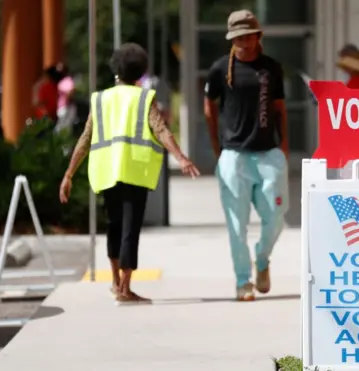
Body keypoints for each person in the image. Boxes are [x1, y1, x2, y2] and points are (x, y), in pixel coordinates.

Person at [59, 43, 200, 304]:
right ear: (140, 71)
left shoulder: (100, 99)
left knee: (114, 226)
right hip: (135, 171)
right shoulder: (144, 98)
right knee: (129, 229)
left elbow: (85, 138)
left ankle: (115, 282)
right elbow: (161, 130)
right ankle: (125, 288)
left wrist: (69, 174)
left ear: (116, 70)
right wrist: (180, 157)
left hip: (105, 171)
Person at [203, 9, 289, 302]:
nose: (243, 40)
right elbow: (209, 107)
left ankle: (262, 259)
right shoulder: (219, 69)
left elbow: (279, 108)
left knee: (277, 215)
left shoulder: (271, 68)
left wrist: (285, 143)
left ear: (257, 35)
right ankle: (243, 281)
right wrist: (218, 148)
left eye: (248, 34)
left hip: (268, 153)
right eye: (237, 35)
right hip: (234, 156)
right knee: (236, 225)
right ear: (232, 38)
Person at [54, 62, 77, 134]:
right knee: (61, 128)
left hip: (66, 108)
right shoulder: (61, 81)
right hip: (62, 107)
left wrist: (67, 99)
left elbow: (72, 90)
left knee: (63, 128)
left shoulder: (68, 80)